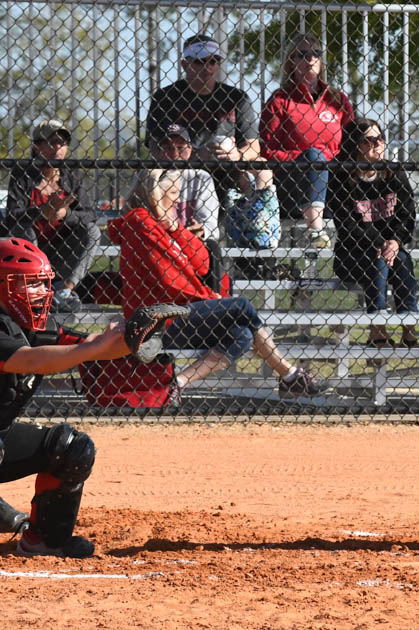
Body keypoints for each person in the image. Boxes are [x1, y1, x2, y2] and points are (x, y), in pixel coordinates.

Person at [107, 169, 327, 403]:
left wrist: (174, 229)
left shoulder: (166, 225)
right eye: (172, 193)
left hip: (183, 315)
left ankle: (177, 384)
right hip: (157, 319)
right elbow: (168, 280)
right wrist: (208, 298)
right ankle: (289, 375)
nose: (178, 200)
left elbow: (202, 263)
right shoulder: (139, 220)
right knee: (241, 306)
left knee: (242, 335)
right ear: (154, 195)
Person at [0, 237, 131, 557]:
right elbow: (31, 360)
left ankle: (44, 540)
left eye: (43, 284)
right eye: (30, 284)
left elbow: (97, 346)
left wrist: (136, 337)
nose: (42, 292)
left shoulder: (31, 326)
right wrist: (94, 347)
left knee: (71, 448)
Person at [145, 34, 275, 221]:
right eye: (200, 61)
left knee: (262, 167)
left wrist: (237, 155)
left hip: (230, 169)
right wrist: (196, 156)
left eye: (213, 61)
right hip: (185, 169)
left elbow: (253, 146)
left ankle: (259, 223)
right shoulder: (166, 97)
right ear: (185, 64)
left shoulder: (236, 98)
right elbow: (155, 147)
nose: (208, 67)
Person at [327, 119, 419, 347]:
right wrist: (382, 243)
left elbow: (407, 214)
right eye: (370, 140)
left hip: (392, 251)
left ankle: (409, 328)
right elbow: (347, 225)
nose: (378, 144)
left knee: (403, 261)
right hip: (352, 254)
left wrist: (395, 242)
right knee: (378, 261)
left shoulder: (393, 172)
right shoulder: (340, 176)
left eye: (380, 138)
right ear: (355, 145)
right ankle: (378, 328)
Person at [260, 32, 354, 249]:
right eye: (302, 54)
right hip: (293, 183)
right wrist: (306, 159)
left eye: (316, 53)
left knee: (321, 159)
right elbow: (267, 151)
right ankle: (315, 231)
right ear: (291, 61)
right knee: (313, 155)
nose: (310, 59)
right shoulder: (280, 100)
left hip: (334, 182)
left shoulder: (337, 99)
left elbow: (351, 144)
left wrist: (325, 159)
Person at [4, 119, 101, 313]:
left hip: (61, 250)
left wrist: (64, 214)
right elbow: (12, 215)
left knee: (92, 231)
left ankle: (64, 291)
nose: (58, 147)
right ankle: (35, 287)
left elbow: (90, 214)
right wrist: (42, 211)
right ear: (37, 146)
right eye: (52, 142)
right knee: (23, 228)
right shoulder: (23, 173)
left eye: (62, 143)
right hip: (29, 249)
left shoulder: (70, 175)